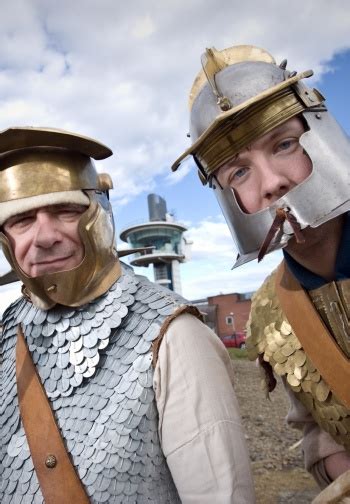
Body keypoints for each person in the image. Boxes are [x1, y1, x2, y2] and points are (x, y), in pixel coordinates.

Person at [0, 126, 255, 503]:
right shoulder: (8, 329)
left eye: (65, 211)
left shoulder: (174, 335)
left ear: (97, 215)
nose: (45, 235)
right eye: (22, 219)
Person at [172, 44, 350, 489]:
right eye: (239, 173)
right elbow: (317, 430)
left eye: (285, 144)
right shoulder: (270, 313)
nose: (272, 184)